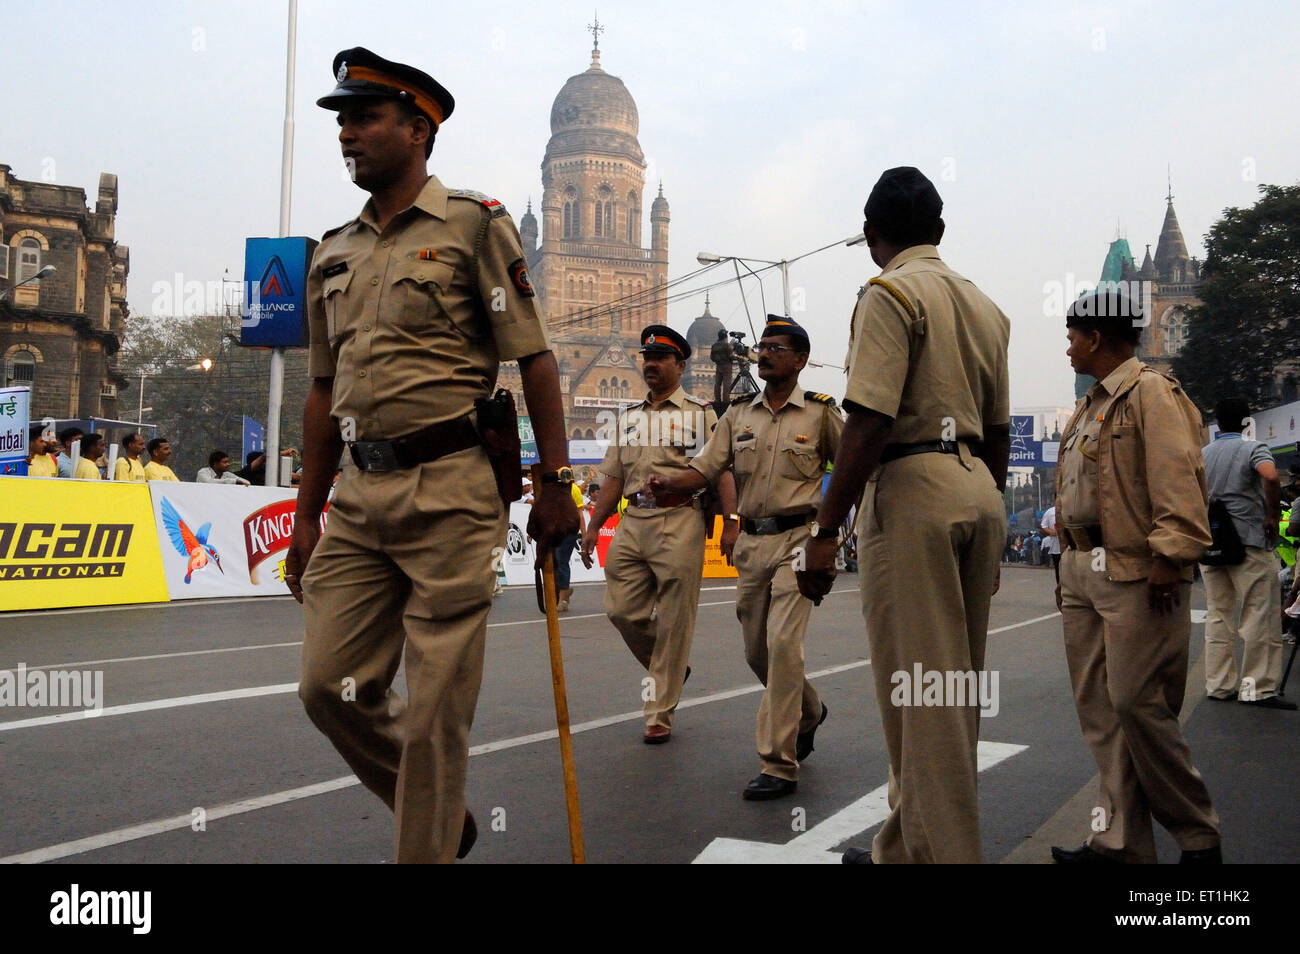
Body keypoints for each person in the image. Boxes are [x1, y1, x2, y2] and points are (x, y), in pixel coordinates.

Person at [287, 47, 577, 865]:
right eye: (341, 119)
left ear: (417, 130)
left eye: (362, 117)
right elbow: (319, 392)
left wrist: (555, 483)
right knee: (325, 686)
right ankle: (441, 817)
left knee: (439, 710)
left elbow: (536, 358)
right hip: (357, 494)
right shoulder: (332, 252)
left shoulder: (476, 225)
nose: (346, 133)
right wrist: (304, 516)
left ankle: (426, 843)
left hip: (453, 488)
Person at [796, 167, 1010, 864]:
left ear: (870, 234)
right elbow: (1001, 433)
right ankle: (905, 844)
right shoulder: (984, 305)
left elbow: (868, 420)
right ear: (940, 232)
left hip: (914, 487)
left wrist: (827, 532)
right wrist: (994, 523)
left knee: (922, 699)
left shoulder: (889, 293)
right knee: (955, 687)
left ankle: (943, 855)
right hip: (978, 485)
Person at [1049, 287, 1221, 864]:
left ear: (1096, 337)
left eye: (1072, 336)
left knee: (1139, 707)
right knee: (1101, 713)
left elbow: (1176, 477)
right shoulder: (1090, 403)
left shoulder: (1150, 392)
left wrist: (1171, 557)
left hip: (1134, 571)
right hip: (1080, 570)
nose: (1067, 346)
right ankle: (1119, 844)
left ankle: (1198, 837)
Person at [649, 316, 842, 799]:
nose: (765, 353)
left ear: (799, 360)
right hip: (753, 544)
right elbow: (707, 468)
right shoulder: (738, 414)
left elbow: (847, 473)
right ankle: (810, 710)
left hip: (798, 539)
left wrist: (831, 535)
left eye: (777, 347)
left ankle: (778, 761)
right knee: (758, 651)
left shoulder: (821, 415)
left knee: (781, 645)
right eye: (762, 346)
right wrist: (670, 484)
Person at [580, 324, 726, 744]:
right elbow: (612, 476)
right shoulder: (629, 419)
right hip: (632, 521)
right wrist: (593, 525)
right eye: (647, 357)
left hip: (680, 519)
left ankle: (659, 708)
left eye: (661, 358)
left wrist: (729, 522)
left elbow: (715, 471)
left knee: (676, 618)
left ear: (680, 365)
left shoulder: (699, 415)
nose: (651, 365)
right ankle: (672, 670)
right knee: (621, 611)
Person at [1199, 397, 1294, 709]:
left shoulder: (1202, 455)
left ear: (1218, 423)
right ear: (1246, 422)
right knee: (1259, 617)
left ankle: (1219, 684)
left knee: (1218, 615)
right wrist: (1269, 514)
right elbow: (1268, 476)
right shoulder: (1254, 449)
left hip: (1212, 544)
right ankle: (1256, 689)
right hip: (1249, 543)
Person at [552, 480, 587, 612]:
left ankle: (563, 600)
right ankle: (564, 589)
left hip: (568, 532)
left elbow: (579, 513)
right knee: (553, 563)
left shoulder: (574, 489)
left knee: (562, 561)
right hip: (553, 531)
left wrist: (584, 534)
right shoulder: (550, 487)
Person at [710, 328, 735, 404]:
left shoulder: (714, 346)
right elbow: (731, 356)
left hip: (719, 366)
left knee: (717, 383)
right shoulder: (727, 345)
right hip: (727, 366)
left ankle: (717, 400)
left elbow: (712, 357)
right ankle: (726, 400)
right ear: (725, 336)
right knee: (726, 383)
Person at [1041, 503, 1062, 582]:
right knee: (1058, 568)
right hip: (1055, 546)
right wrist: (1051, 532)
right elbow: (1043, 525)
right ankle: (1059, 587)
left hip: (1069, 545)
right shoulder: (1050, 512)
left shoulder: (1069, 508)